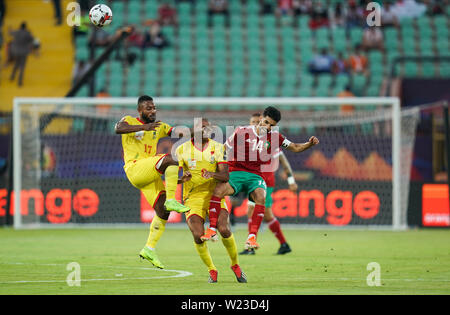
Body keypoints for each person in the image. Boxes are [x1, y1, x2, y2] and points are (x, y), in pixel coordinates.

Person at [202, 106, 319, 251]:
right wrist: (212, 165)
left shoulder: (275, 137)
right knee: (218, 190)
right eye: (266, 122)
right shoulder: (241, 131)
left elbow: (294, 147)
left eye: (272, 125)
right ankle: (212, 229)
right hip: (236, 172)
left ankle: (252, 238)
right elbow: (223, 149)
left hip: (255, 175)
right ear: (260, 119)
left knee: (261, 196)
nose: (268, 127)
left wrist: (309, 144)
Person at [114, 95, 191, 269]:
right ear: (140, 110)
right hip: (134, 168)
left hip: (147, 174)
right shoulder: (129, 121)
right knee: (171, 158)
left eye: (154, 107)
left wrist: (197, 131)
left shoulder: (160, 126)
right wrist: (144, 127)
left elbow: (179, 132)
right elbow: (118, 128)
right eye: (148, 108)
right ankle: (173, 199)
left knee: (163, 211)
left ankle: (149, 249)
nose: (153, 111)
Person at [176, 118, 247, 283]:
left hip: (215, 195)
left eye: (209, 127)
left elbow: (225, 176)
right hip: (192, 198)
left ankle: (235, 265)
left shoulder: (218, 147)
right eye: (203, 126)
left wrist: (212, 174)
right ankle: (212, 269)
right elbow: (174, 178)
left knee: (224, 229)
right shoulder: (181, 149)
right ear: (194, 130)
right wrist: (182, 179)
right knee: (198, 235)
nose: (207, 129)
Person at [239, 113, 297, 255]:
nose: (253, 124)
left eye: (255, 122)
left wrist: (291, 180)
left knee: (254, 211)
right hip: (254, 180)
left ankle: (251, 246)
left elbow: (283, 161)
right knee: (266, 215)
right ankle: (283, 244)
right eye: (251, 122)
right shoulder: (249, 140)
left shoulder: (270, 141)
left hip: (265, 181)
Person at [8, 22, 34, 87]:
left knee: (16, 64)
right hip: (24, 52)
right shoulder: (27, 33)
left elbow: (10, 33)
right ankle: (20, 82)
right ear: (25, 27)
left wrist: (10, 29)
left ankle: (12, 76)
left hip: (16, 51)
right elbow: (32, 39)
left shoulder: (17, 32)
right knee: (22, 67)